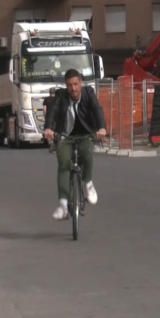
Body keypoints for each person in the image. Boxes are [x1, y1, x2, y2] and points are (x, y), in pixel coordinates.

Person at [43, 69, 107, 221]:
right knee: (64, 163)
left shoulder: (88, 93)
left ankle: (88, 183)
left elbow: (97, 109)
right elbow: (52, 111)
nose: (73, 88)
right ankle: (63, 205)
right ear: (66, 86)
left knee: (87, 152)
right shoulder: (60, 96)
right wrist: (49, 128)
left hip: (85, 134)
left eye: (76, 84)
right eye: (70, 85)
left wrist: (101, 128)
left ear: (81, 83)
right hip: (65, 136)